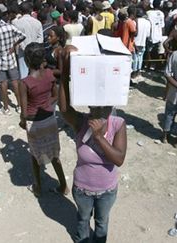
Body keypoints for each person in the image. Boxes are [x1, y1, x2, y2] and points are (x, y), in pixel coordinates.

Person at [59, 44, 127, 243]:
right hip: (82, 189)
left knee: (102, 222)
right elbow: (64, 109)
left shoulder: (118, 124)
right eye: (94, 106)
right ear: (88, 104)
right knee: (82, 220)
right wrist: (64, 74)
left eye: (104, 106)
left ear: (112, 104)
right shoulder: (81, 121)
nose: (98, 111)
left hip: (107, 190)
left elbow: (119, 158)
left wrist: (98, 137)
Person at [18, 43, 68, 197]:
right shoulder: (49, 74)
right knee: (54, 155)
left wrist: (22, 121)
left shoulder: (24, 82)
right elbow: (55, 94)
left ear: (26, 61)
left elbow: (24, 110)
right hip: (49, 119)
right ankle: (64, 186)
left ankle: (38, 187)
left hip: (35, 123)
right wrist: (46, 104)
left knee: (34, 154)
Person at [0, 6, 26, 115]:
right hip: (11, 58)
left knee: (3, 84)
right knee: (15, 82)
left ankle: (6, 108)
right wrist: (14, 45)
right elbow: (23, 36)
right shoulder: (9, 26)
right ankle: (19, 106)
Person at [12, 1, 44, 79]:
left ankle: (25, 88)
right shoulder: (38, 22)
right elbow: (40, 38)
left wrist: (24, 47)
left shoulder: (16, 23)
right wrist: (35, 47)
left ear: (21, 11)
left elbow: (16, 38)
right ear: (31, 11)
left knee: (23, 72)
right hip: (36, 50)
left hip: (22, 51)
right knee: (36, 69)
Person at [145, 0, 165, 70]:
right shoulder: (161, 13)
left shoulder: (149, 13)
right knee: (157, 52)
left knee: (149, 51)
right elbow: (162, 26)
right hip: (159, 35)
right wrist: (161, 35)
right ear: (159, 5)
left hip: (151, 35)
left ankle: (149, 65)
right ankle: (155, 66)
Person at [132, 7, 151, 79]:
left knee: (134, 58)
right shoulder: (147, 22)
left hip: (134, 42)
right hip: (143, 42)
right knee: (140, 57)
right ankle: (138, 71)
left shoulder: (134, 21)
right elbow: (148, 35)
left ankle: (134, 72)